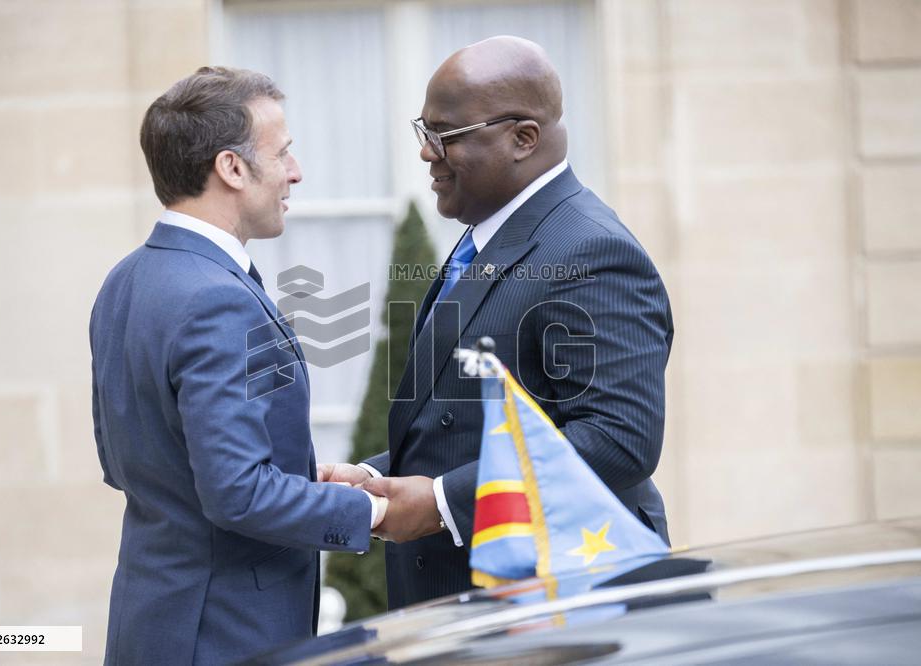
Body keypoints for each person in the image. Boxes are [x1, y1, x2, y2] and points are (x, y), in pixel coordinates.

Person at [319, 36, 673, 609]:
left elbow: (618, 438)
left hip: (552, 608)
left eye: (445, 136)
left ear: (523, 138)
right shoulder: (487, 238)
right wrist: (377, 477)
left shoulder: (591, 252)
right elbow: (461, 426)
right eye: (424, 131)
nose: (427, 152)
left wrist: (439, 503)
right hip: (466, 601)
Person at [90, 67, 386, 664]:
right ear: (231, 168)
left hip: (152, 624)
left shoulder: (124, 281)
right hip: (224, 635)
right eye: (283, 153)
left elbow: (142, 465)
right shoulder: (215, 298)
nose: (295, 173)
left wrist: (301, 473)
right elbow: (237, 495)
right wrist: (375, 510)